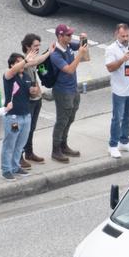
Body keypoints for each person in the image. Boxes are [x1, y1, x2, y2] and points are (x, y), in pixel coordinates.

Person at [43, 24, 89, 160]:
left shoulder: (69, 45)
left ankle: (64, 144)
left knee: (70, 117)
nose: (71, 37)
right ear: (60, 36)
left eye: (71, 34)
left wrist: (84, 42)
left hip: (73, 89)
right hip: (62, 91)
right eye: (68, 35)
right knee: (62, 120)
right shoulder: (56, 54)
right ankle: (56, 150)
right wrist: (80, 54)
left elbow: (87, 57)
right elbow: (69, 70)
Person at [104, 25, 129, 157]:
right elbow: (110, 67)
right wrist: (123, 59)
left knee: (128, 117)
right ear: (117, 34)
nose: (126, 38)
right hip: (119, 90)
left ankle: (124, 141)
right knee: (117, 118)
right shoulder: (111, 49)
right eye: (123, 36)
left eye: (127, 35)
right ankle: (113, 145)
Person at [12, 33, 47, 173]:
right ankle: (19, 156)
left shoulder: (34, 60)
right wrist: (49, 52)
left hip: (36, 99)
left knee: (31, 128)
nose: (38, 48)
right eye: (35, 46)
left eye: (39, 45)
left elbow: (40, 69)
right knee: (22, 130)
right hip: (27, 101)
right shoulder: (23, 61)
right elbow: (33, 62)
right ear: (27, 46)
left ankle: (29, 152)